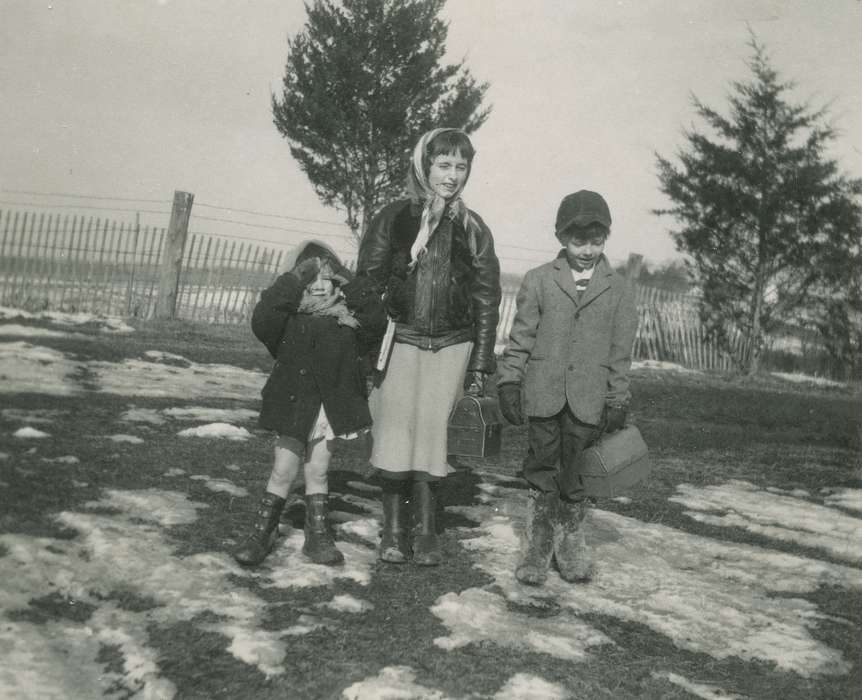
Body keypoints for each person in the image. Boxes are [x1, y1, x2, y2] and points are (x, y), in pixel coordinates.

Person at [357, 128, 501, 566]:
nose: (451, 176)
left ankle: (426, 529)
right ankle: (394, 531)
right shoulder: (394, 217)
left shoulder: (473, 228)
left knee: (436, 438)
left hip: (453, 347)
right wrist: (367, 345)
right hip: (400, 343)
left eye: (461, 166)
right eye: (443, 165)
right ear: (424, 166)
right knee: (396, 433)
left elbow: (486, 298)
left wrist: (479, 362)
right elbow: (366, 285)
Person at [496, 190, 638, 586]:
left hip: (589, 399)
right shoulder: (539, 280)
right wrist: (510, 380)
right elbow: (521, 337)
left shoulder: (620, 290)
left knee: (578, 471)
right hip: (544, 395)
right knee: (542, 464)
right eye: (578, 241)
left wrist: (617, 396)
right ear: (561, 237)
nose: (588, 250)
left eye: (596, 241)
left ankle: (571, 541)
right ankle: (538, 543)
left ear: (605, 239)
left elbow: (620, 351)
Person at [234, 240, 386, 568]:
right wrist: (293, 279)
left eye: (327, 278)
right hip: (292, 403)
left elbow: (377, 321)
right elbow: (261, 319)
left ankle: (316, 535)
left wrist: (351, 279)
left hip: (327, 409)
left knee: (318, 471)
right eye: (311, 278)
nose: (319, 286)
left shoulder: (348, 319)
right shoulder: (287, 318)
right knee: (283, 470)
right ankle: (262, 532)